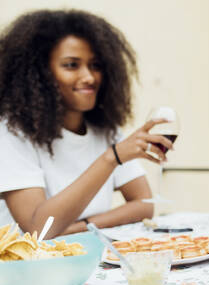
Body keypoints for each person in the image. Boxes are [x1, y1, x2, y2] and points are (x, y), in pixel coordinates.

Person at [0, 9, 174, 239]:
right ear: (40, 73)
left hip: (90, 258)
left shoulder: (105, 130)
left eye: (95, 65)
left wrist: (79, 228)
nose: (89, 77)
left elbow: (143, 204)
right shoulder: (12, 132)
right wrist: (110, 158)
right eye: (72, 65)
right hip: (28, 269)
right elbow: (38, 229)